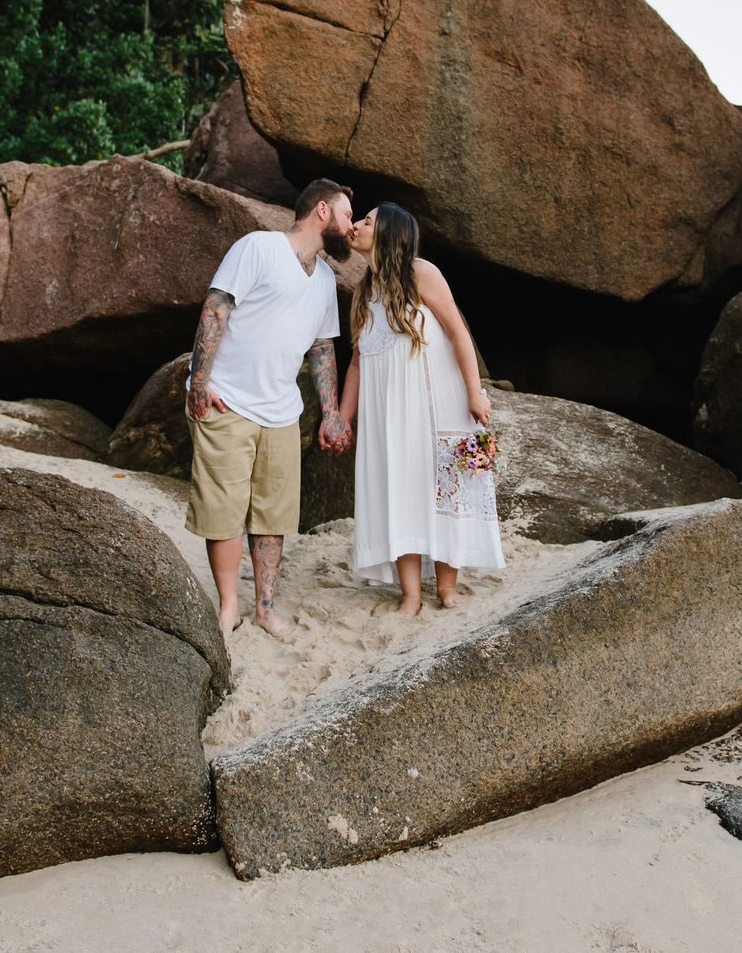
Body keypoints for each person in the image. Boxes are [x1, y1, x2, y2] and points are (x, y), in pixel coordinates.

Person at [185, 178, 355, 639]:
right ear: (322, 211)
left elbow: (322, 348)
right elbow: (216, 308)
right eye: (345, 215)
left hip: (282, 411)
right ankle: (229, 607)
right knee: (223, 509)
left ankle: (265, 608)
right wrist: (199, 382)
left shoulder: (325, 279)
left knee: (271, 515)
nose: (351, 225)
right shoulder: (258, 247)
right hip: (228, 400)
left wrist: (331, 412)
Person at [340, 203, 504, 613]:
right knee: (398, 492)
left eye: (367, 221)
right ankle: (411, 593)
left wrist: (474, 392)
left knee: (442, 488)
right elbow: (357, 363)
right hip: (387, 418)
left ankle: (447, 588)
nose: (357, 225)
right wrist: (343, 417)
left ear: (389, 233)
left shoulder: (421, 273)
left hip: (434, 405)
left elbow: (458, 332)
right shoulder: (363, 292)